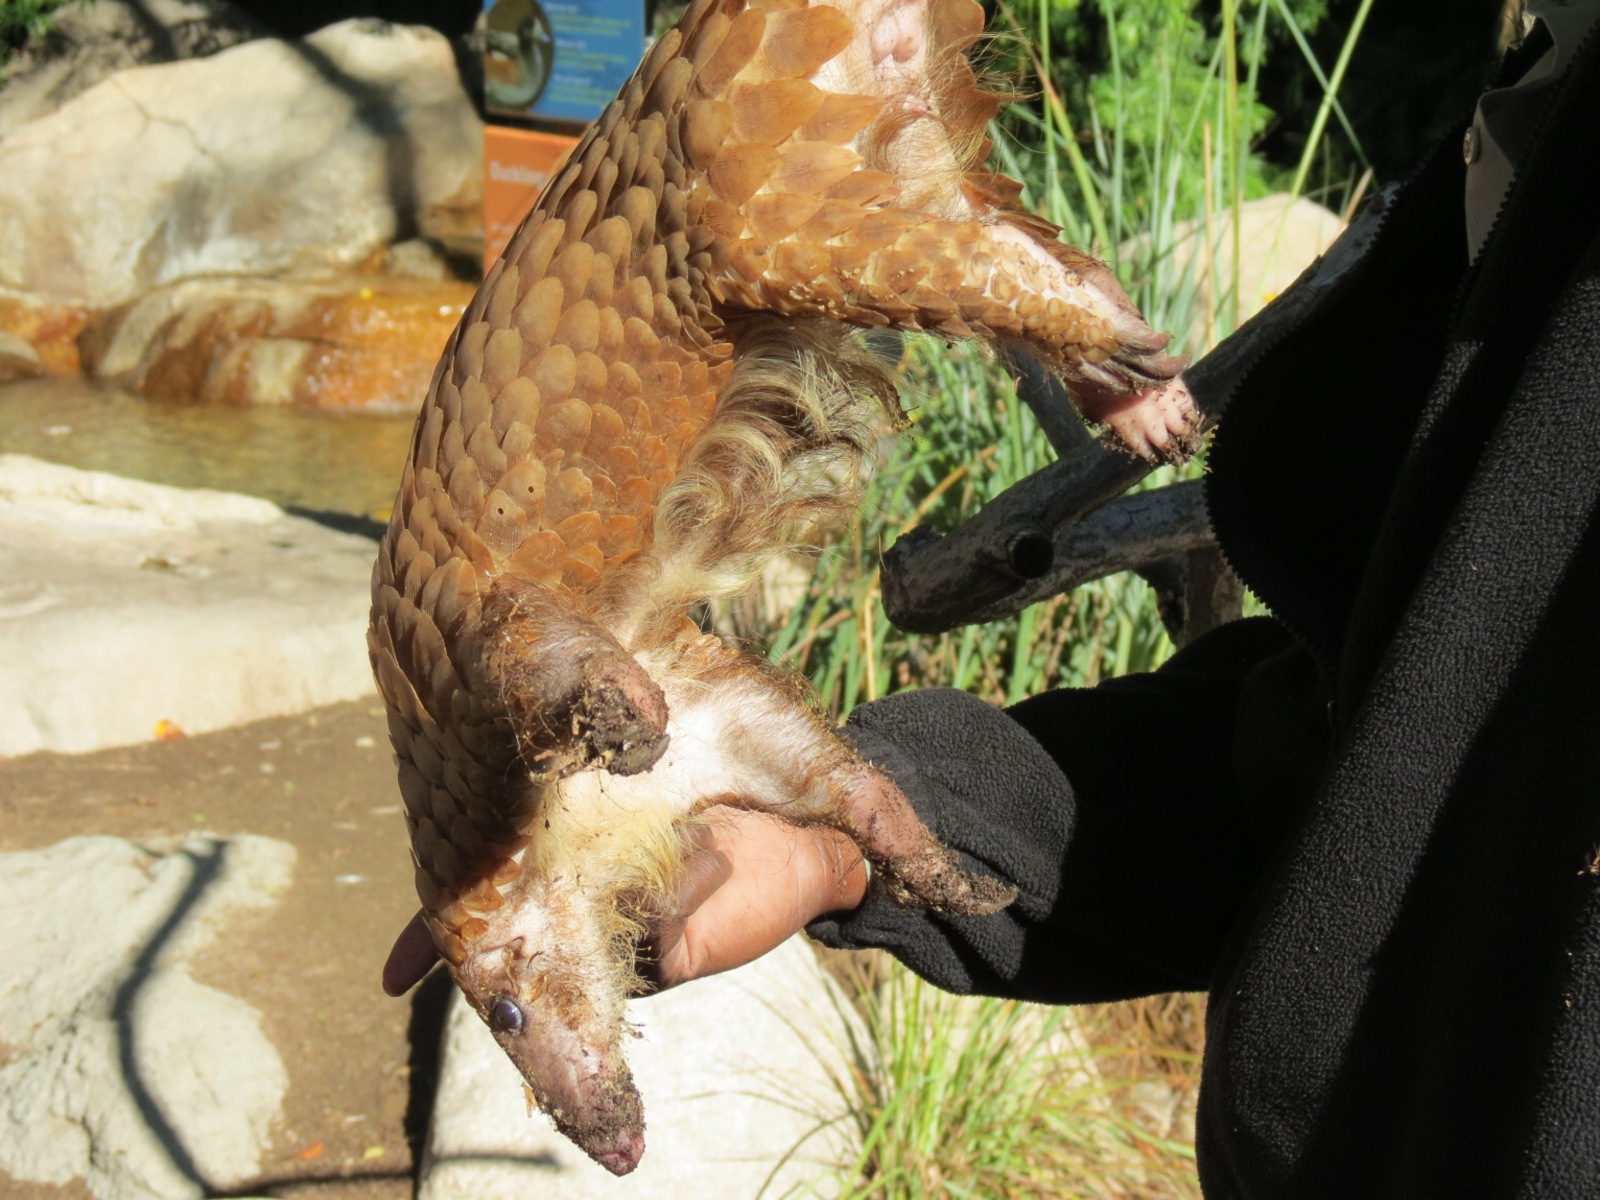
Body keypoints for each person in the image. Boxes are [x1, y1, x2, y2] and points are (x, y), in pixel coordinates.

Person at [389, 3, 1600, 1193]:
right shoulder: (1541, 122)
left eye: (521, 1010)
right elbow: (1379, 754)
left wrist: (603, 701)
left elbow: (526, 641)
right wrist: (857, 852)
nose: (576, 1067)